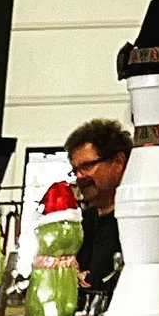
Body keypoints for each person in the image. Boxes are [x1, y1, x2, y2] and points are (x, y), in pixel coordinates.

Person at [64, 118, 131, 294]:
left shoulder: (135, 224)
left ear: (118, 162)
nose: (79, 176)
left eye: (87, 166)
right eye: (75, 170)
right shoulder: (81, 225)